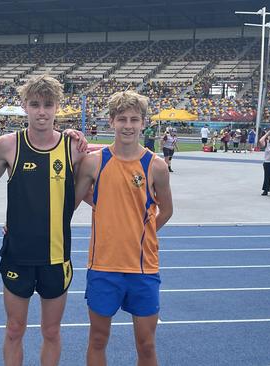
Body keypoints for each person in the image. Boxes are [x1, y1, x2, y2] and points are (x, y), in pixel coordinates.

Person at [0, 75, 86, 366]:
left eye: (48, 104)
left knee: (51, 331)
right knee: (15, 329)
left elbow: (88, 188)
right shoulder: (8, 145)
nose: (41, 111)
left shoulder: (73, 148)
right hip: (18, 255)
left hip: (56, 256)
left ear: (58, 107)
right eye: (34, 104)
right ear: (24, 106)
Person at [73, 90, 173, 366]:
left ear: (143, 123)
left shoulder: (156, 166)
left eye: (134, 119)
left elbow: (167, 210)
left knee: (147, 344)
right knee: (97, 339)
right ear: (111, 122)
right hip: (103, 266)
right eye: (121, 119)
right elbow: (71, 201)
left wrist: (144, 231)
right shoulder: (94, 162)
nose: (128, 125)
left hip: (143, 268)